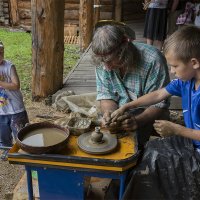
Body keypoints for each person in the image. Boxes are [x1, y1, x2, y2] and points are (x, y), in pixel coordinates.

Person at [110, 25, 200, 199]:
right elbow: (159, 94)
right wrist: (126, 106)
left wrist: (176, 130)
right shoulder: (186, 81)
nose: (172, 71)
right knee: (149, 148)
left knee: (153, 164)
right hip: (191, 142)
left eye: (175, 66)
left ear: (194, 63)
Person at [91, 24, 170, 149]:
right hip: (120, 109)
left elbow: (159, 104)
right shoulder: (103, 61)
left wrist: (137, 121)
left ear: (124, 47)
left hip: (147, 112)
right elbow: (105, 94)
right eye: (103, 61)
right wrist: (109, 113)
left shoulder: (153, 60)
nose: (106, 67)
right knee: (101, 134)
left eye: (111, 60)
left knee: (132, 147)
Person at [0, 41, 29, 147]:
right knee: (3, 136)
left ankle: (24, 153)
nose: (0, 55)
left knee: (22, 135)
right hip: (1, 111)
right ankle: (7, 151)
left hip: (16, 109)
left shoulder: (9, 66)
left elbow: (16, 85)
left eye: (1, 52)